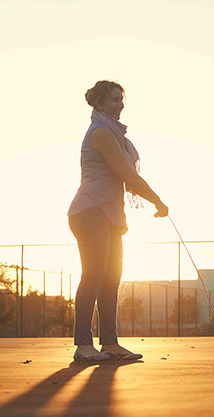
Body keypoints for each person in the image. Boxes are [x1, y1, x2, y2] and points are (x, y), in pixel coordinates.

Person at [68, 80, 168, 362]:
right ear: (99, 103)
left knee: (111, 279)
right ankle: (83, 345)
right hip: (90, 210)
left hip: (109, 213)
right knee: (93, 276)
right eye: (114, 99)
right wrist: (157, 200)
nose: (120, 105)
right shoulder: (100, 133)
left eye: (121, 99)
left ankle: (110, 344)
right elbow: (127, 174)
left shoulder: (114, 133)